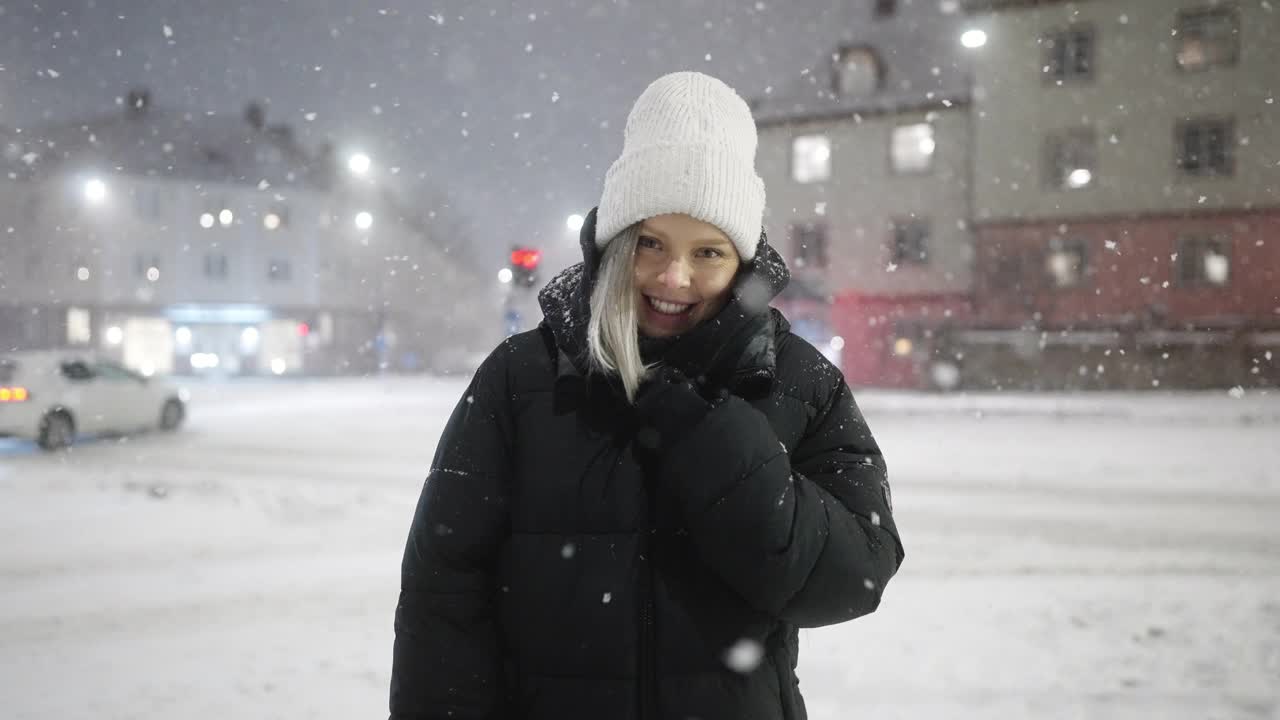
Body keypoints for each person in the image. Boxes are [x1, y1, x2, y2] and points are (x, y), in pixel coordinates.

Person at [390, 71, 904, 720]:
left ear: (742, 261)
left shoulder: (798, 382)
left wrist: (717, 441)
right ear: (614, 245)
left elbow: (856, 574)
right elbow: (444, 593)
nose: (673, 277)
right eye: (650, 244)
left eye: (708, 252)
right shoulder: (520, 380)